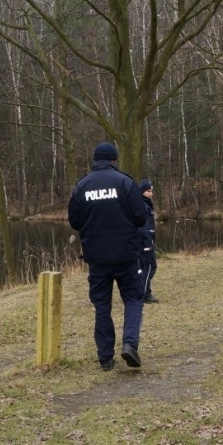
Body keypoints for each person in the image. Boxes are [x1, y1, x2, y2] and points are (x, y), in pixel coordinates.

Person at [68, 142, 147, 371]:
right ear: (114, 160)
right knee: (133, 299)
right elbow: (140, 217)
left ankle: (105, 358)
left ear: (95, 160)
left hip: (97, 258)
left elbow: (74, 221)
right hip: (126, 255)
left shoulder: (82, 186)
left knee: (102, 306)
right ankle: (130, 344)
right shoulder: (125, 182)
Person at [138, 179, 159, 303]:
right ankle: (144, 294)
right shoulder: (143, 206)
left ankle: (143, 291)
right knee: (150, 266)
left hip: (145, 240)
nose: (151, 193)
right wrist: (147, 241)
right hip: (145, 241)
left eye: (151, 191)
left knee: (143, 267)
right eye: (148, 191)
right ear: (142, 192)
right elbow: (143, 227)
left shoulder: (146, 204)